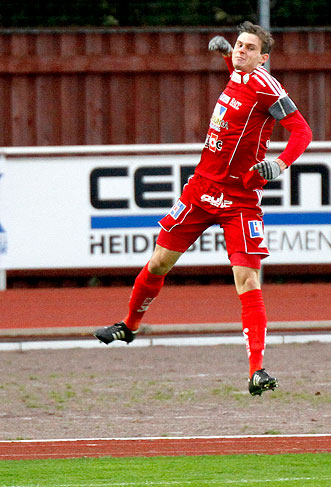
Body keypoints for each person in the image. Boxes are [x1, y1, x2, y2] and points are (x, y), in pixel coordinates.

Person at [94, 21, 312, 396]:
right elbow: (237, 70)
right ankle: (129, 326)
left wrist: (279, 164)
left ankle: (257, 369)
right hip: (201, 189)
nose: (241, 51)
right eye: (239, 45)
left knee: (247, 280)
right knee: (160, 261)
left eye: (248, 48)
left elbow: (302, 131)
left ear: (264, 57)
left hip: (241, 198)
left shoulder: (266, 86)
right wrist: (227, 56)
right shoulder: (239, 75)